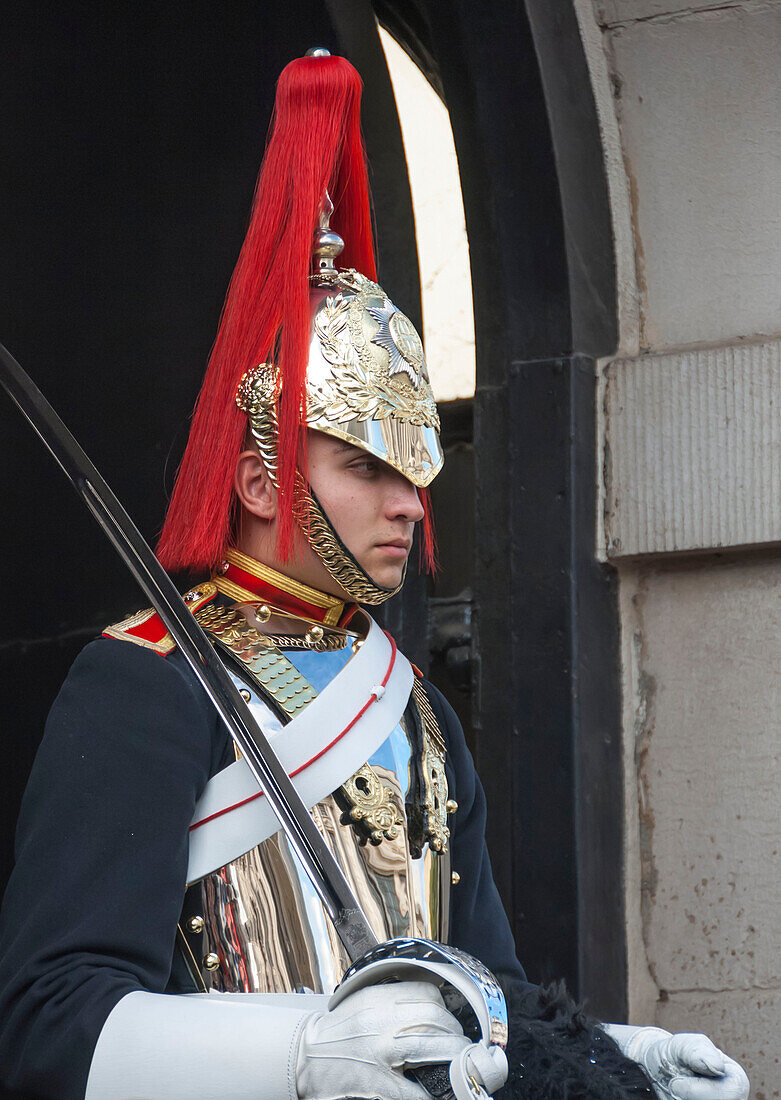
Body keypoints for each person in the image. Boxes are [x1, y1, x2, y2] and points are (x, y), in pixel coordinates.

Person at [0, 51, 749, 1100]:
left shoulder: (418, 711)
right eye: (364, 464)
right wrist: (297, 1053)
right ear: (261, 477)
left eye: (414, 470)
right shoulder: (145, 684)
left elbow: (491, 1003)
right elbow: (50, 1024)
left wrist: (614, 1058)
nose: (408, 501)